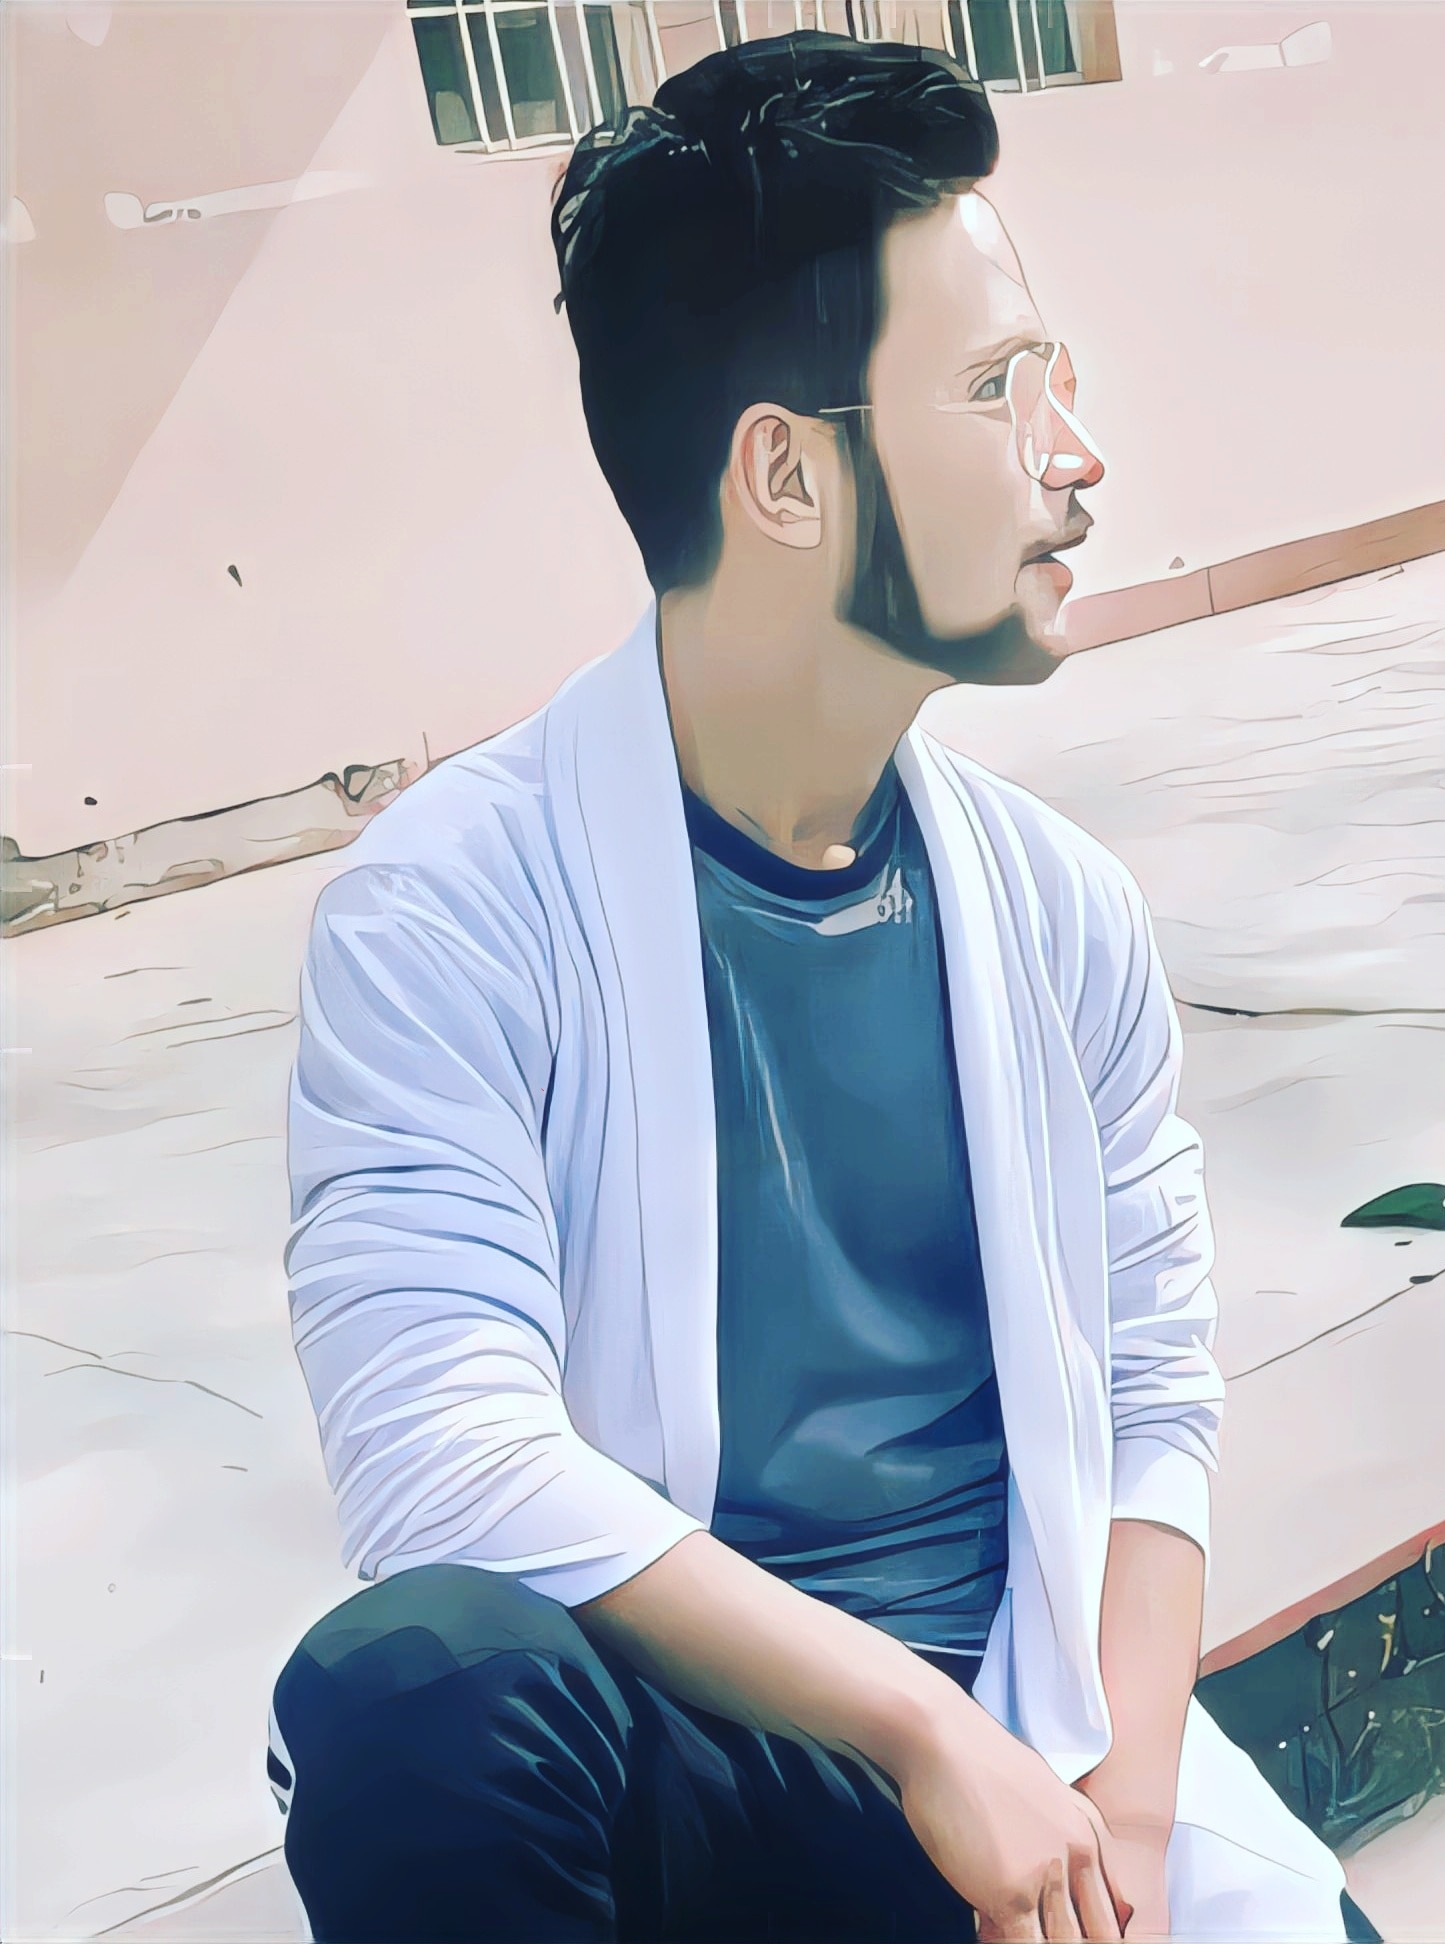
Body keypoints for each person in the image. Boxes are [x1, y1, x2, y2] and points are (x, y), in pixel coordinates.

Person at [270, 31, 1376, 1944]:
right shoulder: (450, 911)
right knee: (419, 1697)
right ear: (784, 473)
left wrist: (1118, 1821)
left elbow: (1149, 1386)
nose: (1074, 456)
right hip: (709, 1769)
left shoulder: (1058, 911)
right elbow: (436, 1453)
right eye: (996, 389)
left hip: (1038, 1758)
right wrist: (914, 1733)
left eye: (1056, 383)